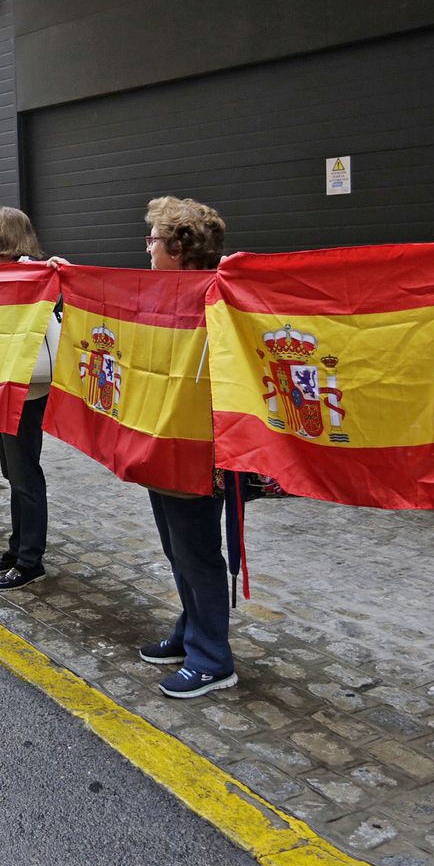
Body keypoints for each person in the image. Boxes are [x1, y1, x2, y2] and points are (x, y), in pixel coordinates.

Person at [131, 196, 241, 699]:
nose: (146, 247)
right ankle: (190, 627)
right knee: (178, 549)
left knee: (197, 552)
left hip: (195, 444)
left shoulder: (219, 294)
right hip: (163, 437)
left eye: (153, 239)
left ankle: (213, 656)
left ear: (178, 248)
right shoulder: (161, 290)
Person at [0, 206, 50, 590]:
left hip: (25, 389)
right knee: (13, 472)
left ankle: (31, 558)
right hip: (6, 387)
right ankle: (18, 548)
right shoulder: (10, 273)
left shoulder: (33, 273)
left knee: (24, 474)